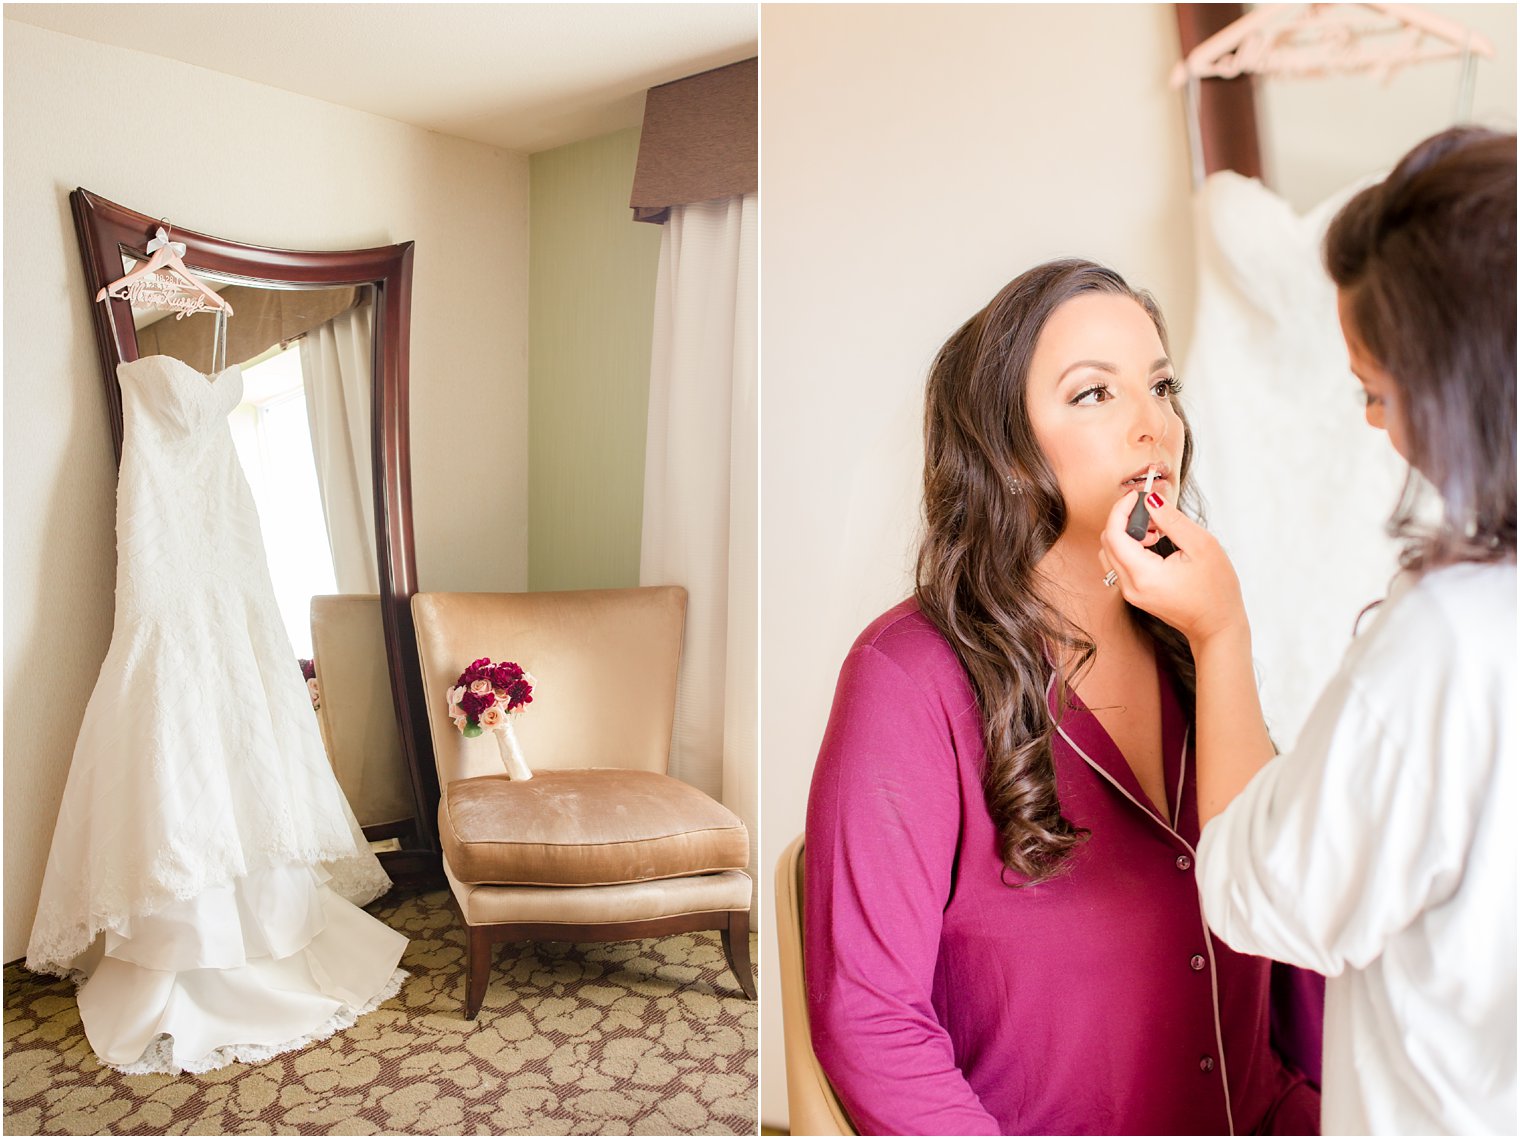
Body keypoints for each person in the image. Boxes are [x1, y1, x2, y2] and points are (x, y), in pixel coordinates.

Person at [805, 259, 1322, 1135]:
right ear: (1004, 451)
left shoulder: (1199, 647)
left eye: (1162, 387)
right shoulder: (906, 679)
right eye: (1095, 395)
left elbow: (1293, 949)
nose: (1152, 424)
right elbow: (870, 1021)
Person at [1101, 127, 1515, 1135]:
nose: (1373, 426)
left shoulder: (1448, 639)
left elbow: (1262, 892)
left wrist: (1219, 632)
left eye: (1375, 391)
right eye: (1093, 393)